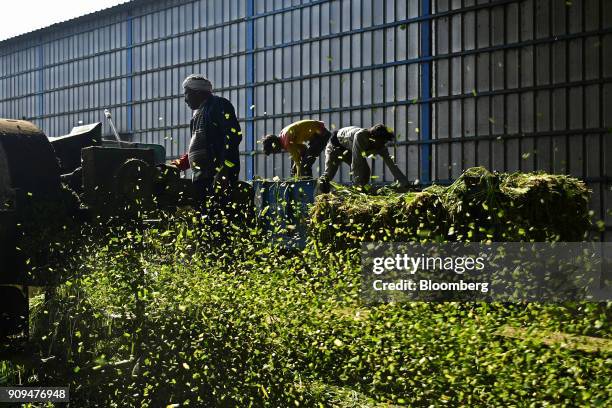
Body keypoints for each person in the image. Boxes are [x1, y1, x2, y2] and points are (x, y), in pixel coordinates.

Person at [172, 74, 242, 204]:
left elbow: (233, 136)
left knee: (219, 217)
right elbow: (198, 150)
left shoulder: (219, 105)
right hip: (201, 178)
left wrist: (224, 169)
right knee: (203, 218)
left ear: (197, 93)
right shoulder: (196, 117)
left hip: (217, 176)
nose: (185, 99)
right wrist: (177, 165)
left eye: (186, 94)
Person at [318, 124, 409, 192]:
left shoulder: (381, 146)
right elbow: (356, 163)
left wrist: (405, 183)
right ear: (372, 137)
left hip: (349, 148)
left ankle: (362, 190)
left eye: (384, 142)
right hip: (335, 146)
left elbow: (391, 164)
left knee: (366, 171)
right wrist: (358, 186)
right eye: (381, 141)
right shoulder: (361, 137)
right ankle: (318, 193)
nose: (382, 145)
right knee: (329, 173)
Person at [261, 119, 331, 178]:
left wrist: (297, 179)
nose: (275, 152)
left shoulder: (286, 141)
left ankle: (307, 187)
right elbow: (303, 148)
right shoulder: (283, 137)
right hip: (315, 137)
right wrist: (297, 166)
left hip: (321, 135)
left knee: (304, 166)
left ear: (274, 145)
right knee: (296, 169)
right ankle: (306, 183)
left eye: (273, 151)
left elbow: (298, 162)